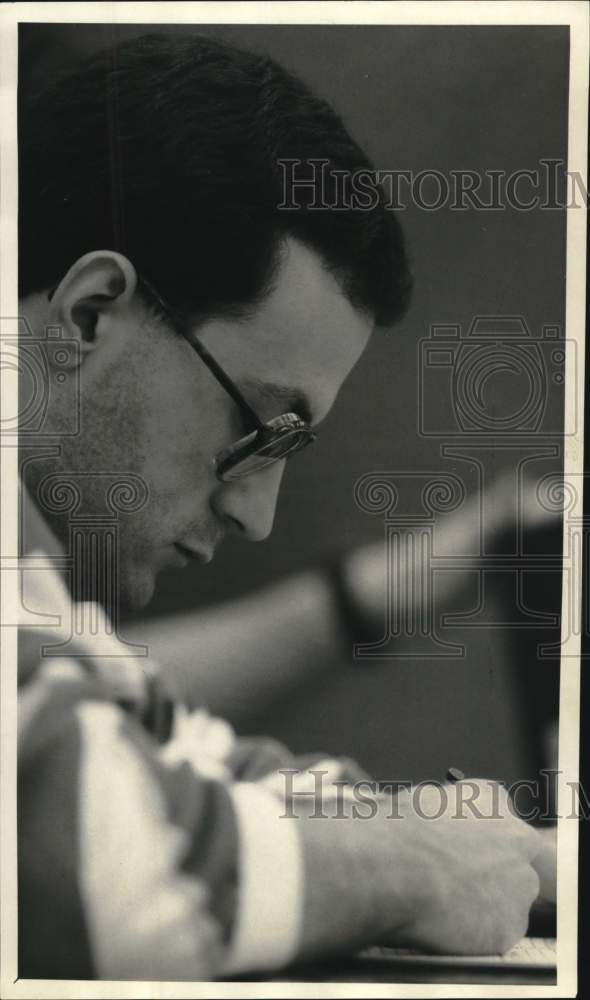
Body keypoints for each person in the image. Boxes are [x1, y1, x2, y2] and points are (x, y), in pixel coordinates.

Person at [16, 32, 554, 980]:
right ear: (90, 316)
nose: (257, 516)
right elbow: (108, 874)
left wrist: (516, 854)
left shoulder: (32, 595)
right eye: (261, 428)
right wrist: (415, 865)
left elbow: (190, 761)